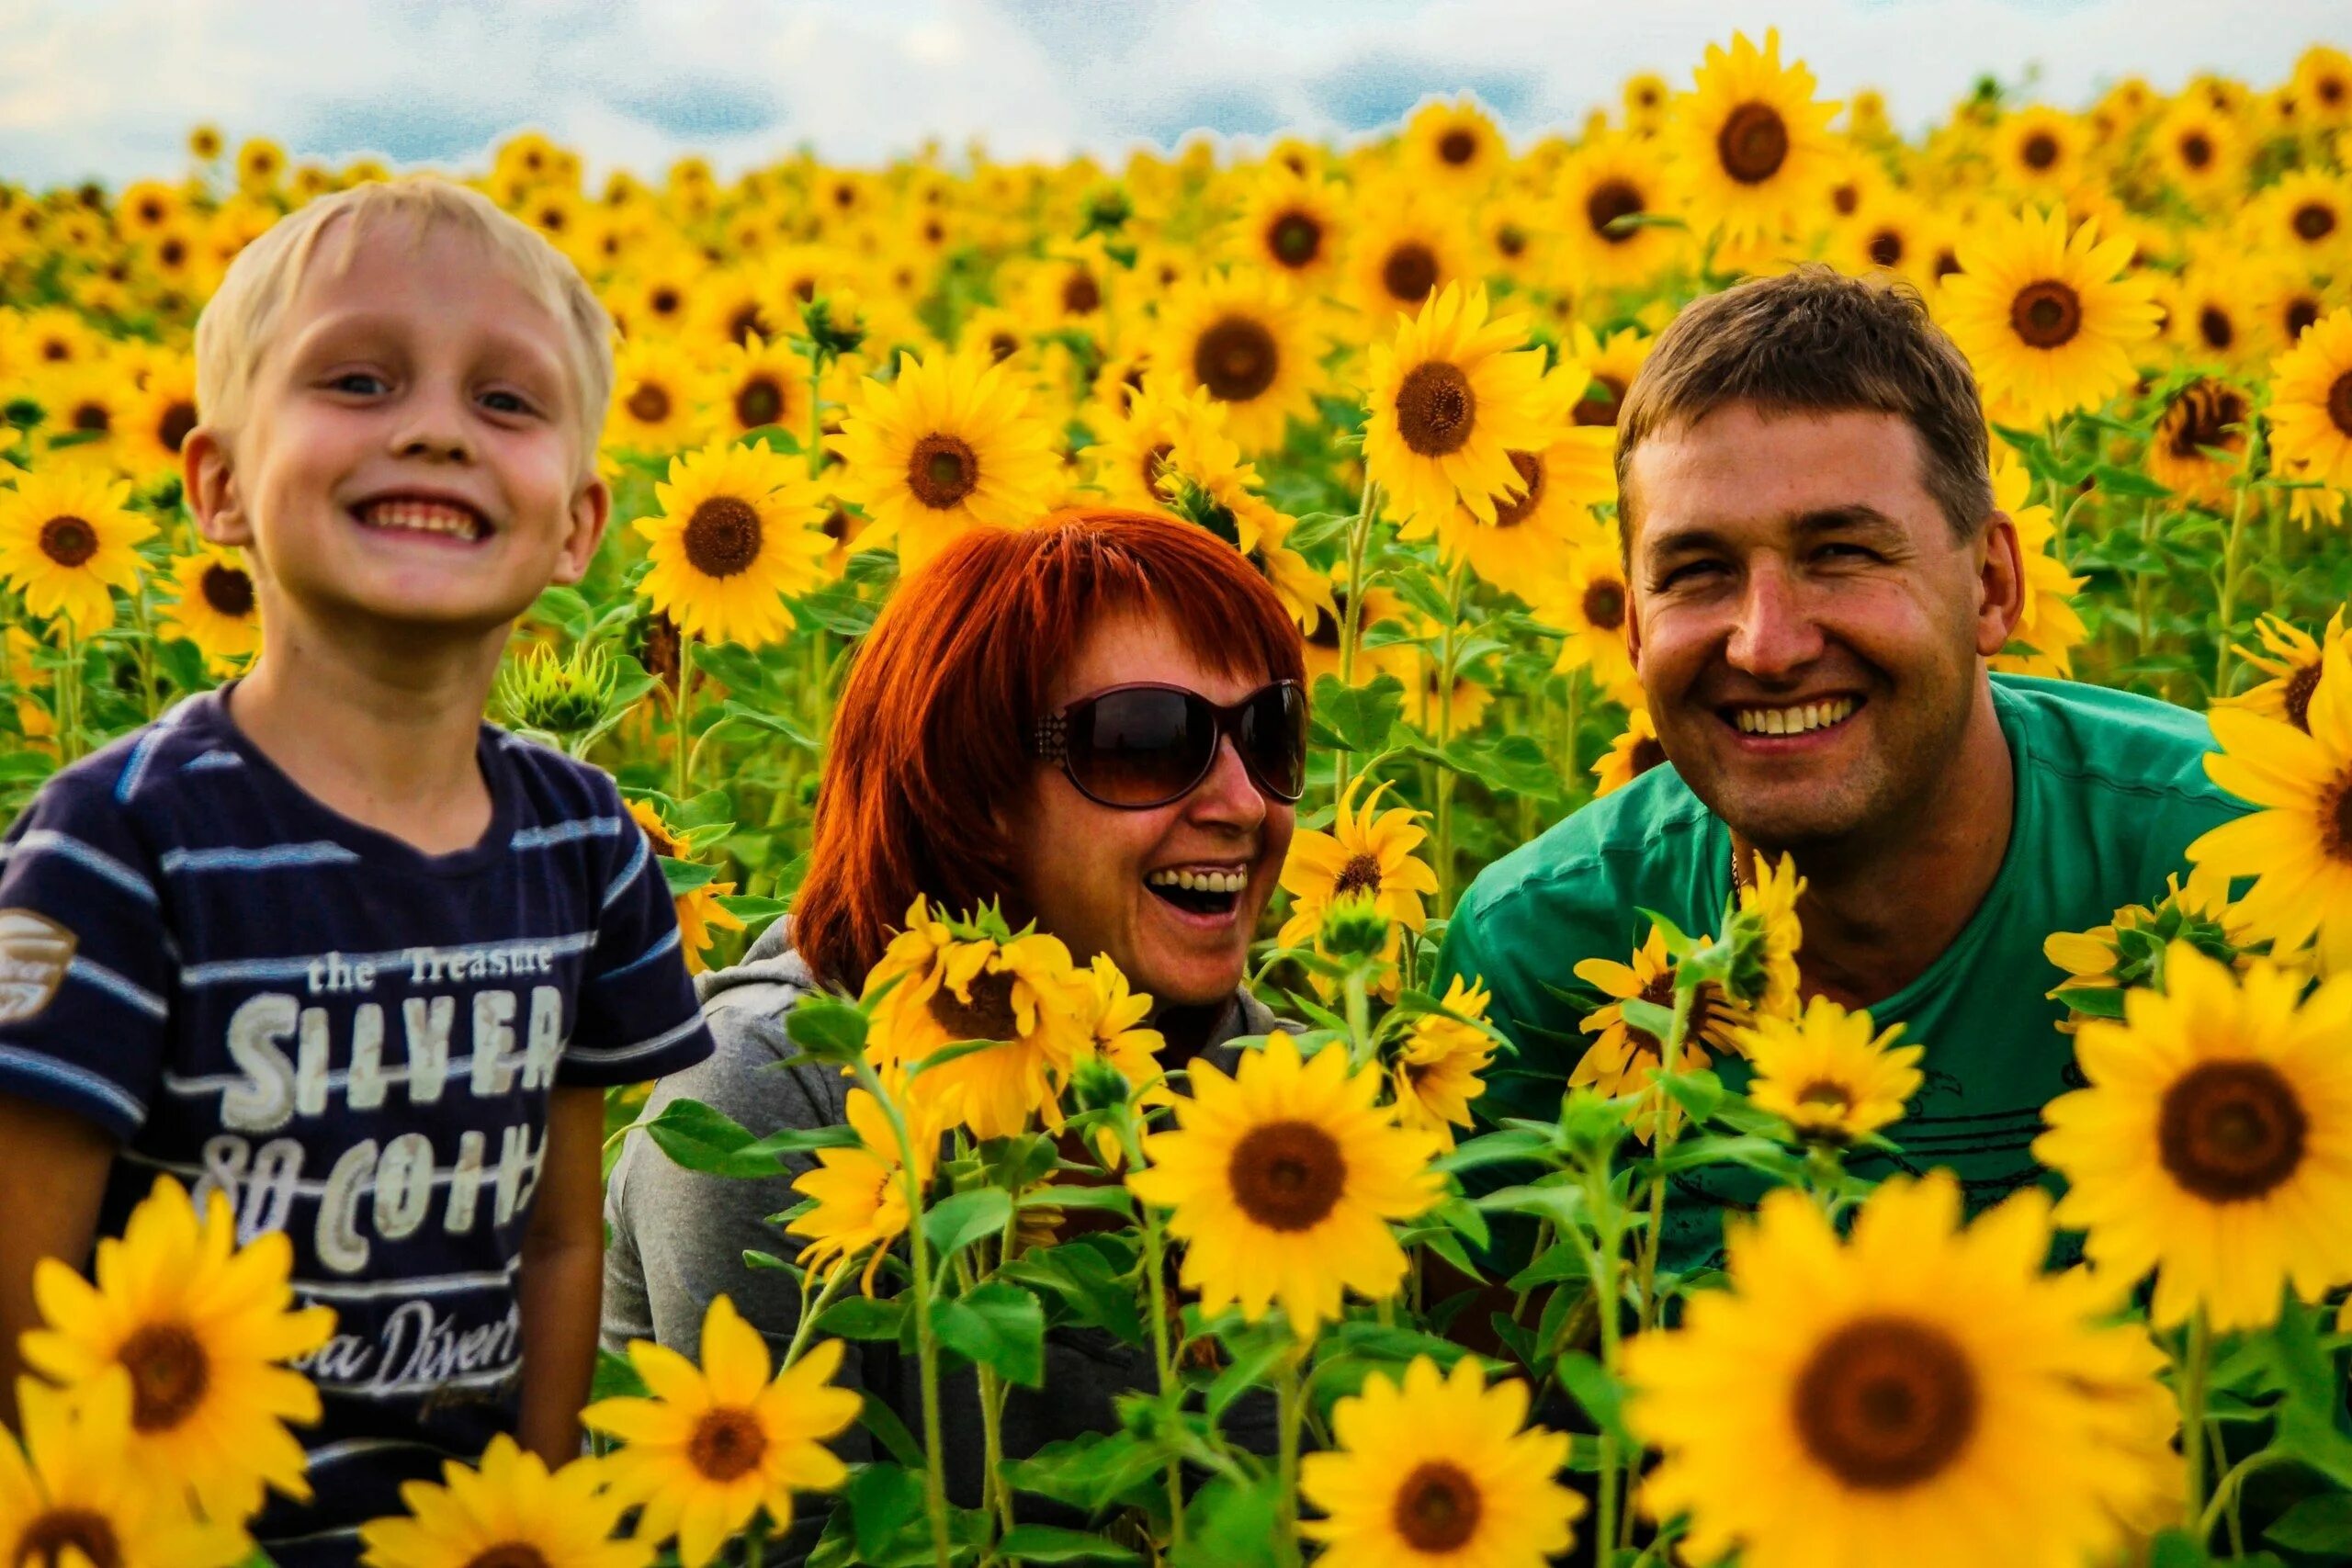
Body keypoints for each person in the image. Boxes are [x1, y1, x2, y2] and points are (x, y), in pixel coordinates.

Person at [0, 179, 713, 1563]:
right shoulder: (119, 844)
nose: (437, 427)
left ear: (577, 524)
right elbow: (20, 1280)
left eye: (507, 403)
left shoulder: (583, 842)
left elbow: (562, 1241)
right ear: (216, 484)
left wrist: (532, 1512)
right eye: (359, 376)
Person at [1437, 266, 2248, 1269]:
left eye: (1842, 554)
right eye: (1697, 572)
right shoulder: (1539, 952)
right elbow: (1490, 1382)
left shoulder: (2235, 858)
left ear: (1992, 585)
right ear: (1635, 628)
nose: (1765, 645)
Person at [603, 506, 1303, 1556]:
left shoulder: (1282, 1093)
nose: (1243, 802)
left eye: (1269, 734)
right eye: (1149, 741)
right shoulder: (772, 1100)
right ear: (971, 794)